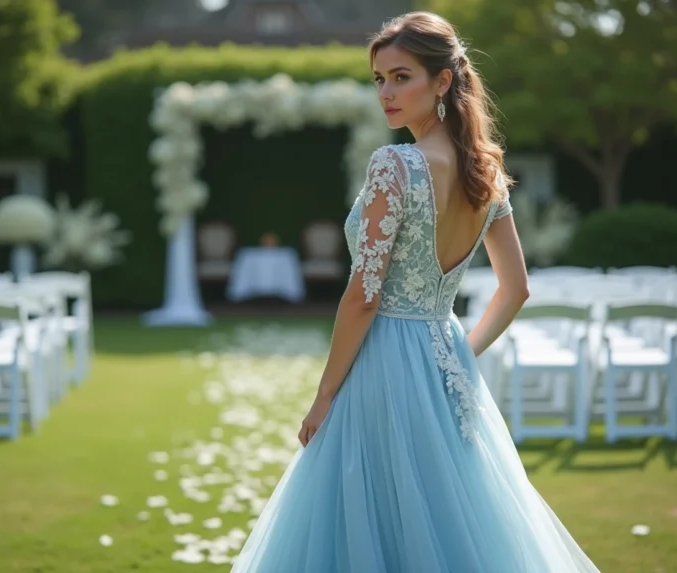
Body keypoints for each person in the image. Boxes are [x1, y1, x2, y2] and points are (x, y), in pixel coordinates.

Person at [231, 11, 601, 573]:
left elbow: (364, 294)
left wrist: (326, 393)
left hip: (380, 362)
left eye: (402, 77)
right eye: (379, 78)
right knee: (445, 514)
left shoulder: (395, 165)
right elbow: (515, 289)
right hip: (441, 357)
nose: (386, 91)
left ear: (443, 81)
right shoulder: (486, 173)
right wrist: (456, 356)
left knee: (373, 515)